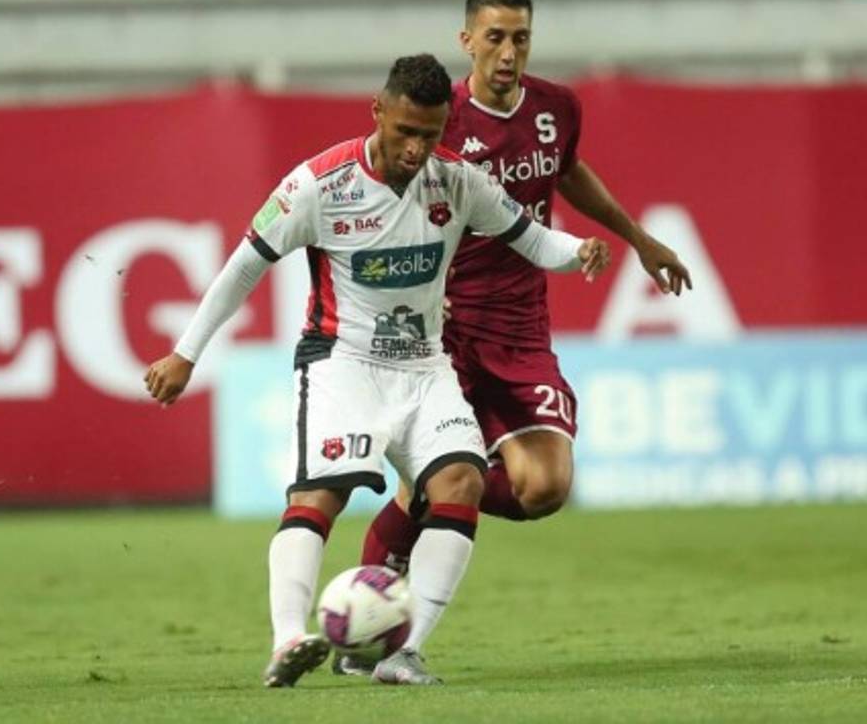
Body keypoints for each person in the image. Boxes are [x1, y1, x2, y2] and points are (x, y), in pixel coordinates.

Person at [144, 54, 611, 687]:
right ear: (378, 113)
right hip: (344, 363)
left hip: (425, 365)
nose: (417, 148)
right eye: (406, 131)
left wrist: (578, 251)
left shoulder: (458, 181)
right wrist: (186, 353)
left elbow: (529, 238)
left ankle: (403, 652)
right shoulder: (318, 186)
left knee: (461, 483)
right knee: (320, 495)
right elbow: (244, 267)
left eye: (431, 133)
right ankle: (288, 639)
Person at [343, 0, 694, 669]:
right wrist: (407, 293)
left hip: (521, 330)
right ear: (467, 40)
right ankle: (371, 637)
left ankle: (436, 496)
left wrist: (638, 238)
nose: (508, 53)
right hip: (443, 334)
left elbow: (567, 172)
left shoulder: (556, 108)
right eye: (495, 37)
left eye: (521, 38)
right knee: (442, 483)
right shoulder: (438, 118)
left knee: (544, 487)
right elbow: (386, 204)